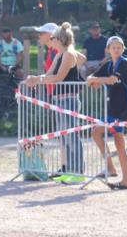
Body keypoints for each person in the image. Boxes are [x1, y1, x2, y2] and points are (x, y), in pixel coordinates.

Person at [24, 22, 86, 182]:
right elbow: (49, 74)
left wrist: (38, 80)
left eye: (54, 38)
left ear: (60, 39)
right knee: (64, 137)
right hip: (60, 101)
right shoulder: (60, 54)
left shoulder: (68, 54)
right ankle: (70, 171)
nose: (52, 40)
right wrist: (37, 79)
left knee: (72, 137)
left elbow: (57, 77)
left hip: (69, 101)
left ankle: (78, 173)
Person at [86, 36, 127, 189]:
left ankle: (126, 180)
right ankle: (111, 168)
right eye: (113, 47)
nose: (116, 49)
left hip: (122, 109)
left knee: (119, 143)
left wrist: (98, 80)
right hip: (111, 108)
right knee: (96, 133)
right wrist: (97, 80)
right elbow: (89, 78)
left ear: (123, 48)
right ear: (108, 49)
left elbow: (112, 80)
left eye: (119, 47)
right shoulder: (108, 64)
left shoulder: (125, 64)